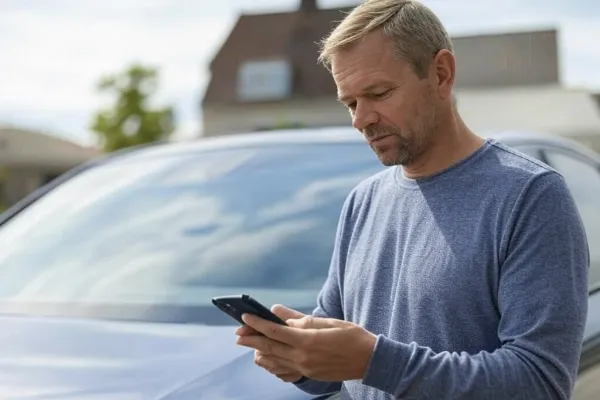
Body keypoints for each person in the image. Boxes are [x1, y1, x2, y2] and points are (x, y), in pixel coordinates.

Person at [235, 0, 590, 398]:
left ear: (441, 73)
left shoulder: (530, 196)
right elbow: (341, 370)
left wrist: (376, 361)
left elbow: (541, 383)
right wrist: (298, 359)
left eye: (378, 93)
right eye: (350, 103)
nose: (360, 119)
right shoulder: (363, 202)